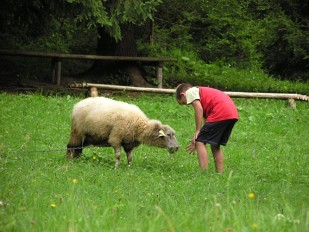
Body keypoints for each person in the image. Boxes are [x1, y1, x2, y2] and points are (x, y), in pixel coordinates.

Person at [176, 83, 238, 173]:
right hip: (231, 113)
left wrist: (198, 131)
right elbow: (208, 122)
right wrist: (201, 133)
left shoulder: (190, 91)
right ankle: (220, 173)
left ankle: (204, 173)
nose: (188, 105)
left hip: (220, 112)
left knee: (200, 142)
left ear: (183, 95)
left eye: (184, 102)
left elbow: (199, 109)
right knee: (214, 144)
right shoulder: (202, 93)